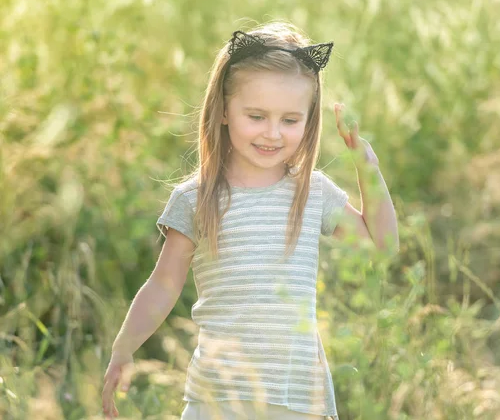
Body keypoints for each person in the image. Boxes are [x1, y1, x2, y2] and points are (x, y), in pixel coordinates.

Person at [102, 21, 399, 420]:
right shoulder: (196, 198)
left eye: (290, 120)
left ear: (309, 120)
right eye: (256, 116)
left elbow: (383, 249)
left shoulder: (311, 193)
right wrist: (123, 349)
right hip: (216, 401)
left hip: (298, 402)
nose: (273, 134)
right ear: (224, 111)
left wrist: (367, 164)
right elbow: (163, 284)